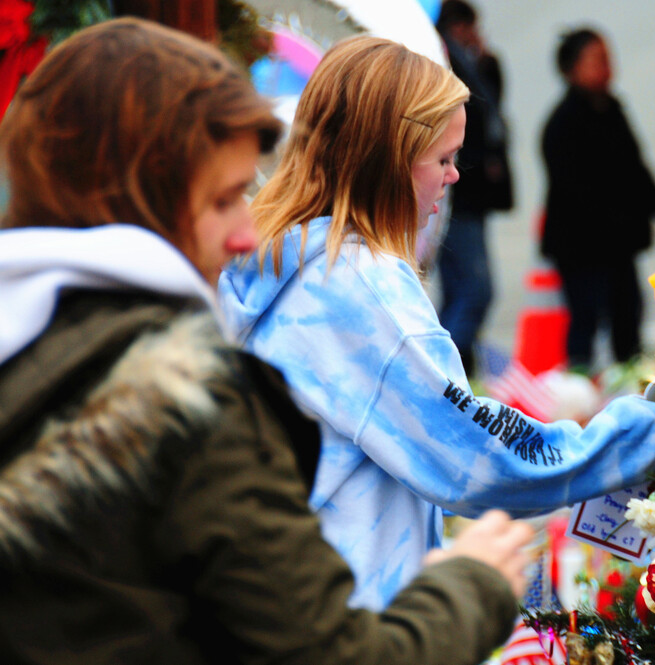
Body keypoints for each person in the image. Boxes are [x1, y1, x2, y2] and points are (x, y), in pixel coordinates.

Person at [0, 18, 533, 665]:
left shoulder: (35, 352)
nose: (246, 233)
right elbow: (330, 653)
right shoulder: (188, 403)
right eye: (225, 199)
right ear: (144, 198)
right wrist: (471, 584)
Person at [218, 35, 655, 611]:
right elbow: (481, 460)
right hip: (344, 611)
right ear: (388, 161)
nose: (454, 175)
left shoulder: (279, 258)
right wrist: (648, 429)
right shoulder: (366, 290)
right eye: (442, 159)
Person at [540, 28, 655, 374]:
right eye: (597, 60)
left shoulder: (612, 109)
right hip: (581, 246)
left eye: (607, 58)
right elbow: (576, 194)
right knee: (585, 320)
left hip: (617, 244)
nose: (607, 68)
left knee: (628, 315)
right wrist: (623, 218)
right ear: (572, 69)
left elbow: (637, 172)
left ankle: (628, 383)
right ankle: (579, 387)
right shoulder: (562, 124)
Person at [434, 0, 514, 376]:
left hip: (466, 196)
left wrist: (485, 63)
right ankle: (444, 369)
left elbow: (492, 105)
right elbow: (479, 116)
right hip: (458, 198)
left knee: (458, 290)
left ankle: (455, 368)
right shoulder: (444, 61)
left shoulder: (471, 63)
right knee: (475, 289)